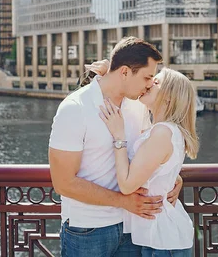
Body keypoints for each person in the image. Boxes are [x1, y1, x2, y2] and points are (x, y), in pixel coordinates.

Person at [49, 37, 183, 257]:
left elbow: (151, 155)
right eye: (147, 77)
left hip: (134, 227)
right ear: (124, 72)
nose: (150, 84)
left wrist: (174, 178)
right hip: (88, 230)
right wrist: (124, 202)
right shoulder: (74, 109)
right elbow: (63, 183)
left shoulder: (138, 107)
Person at [99, 67, 199, 256]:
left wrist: (118, 136)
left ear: (169, 96)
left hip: (162, 239)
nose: (148, 83)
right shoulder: (165, 130)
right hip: (159, 236)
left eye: (156, 82)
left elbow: (127, 185)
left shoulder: (162, 132)